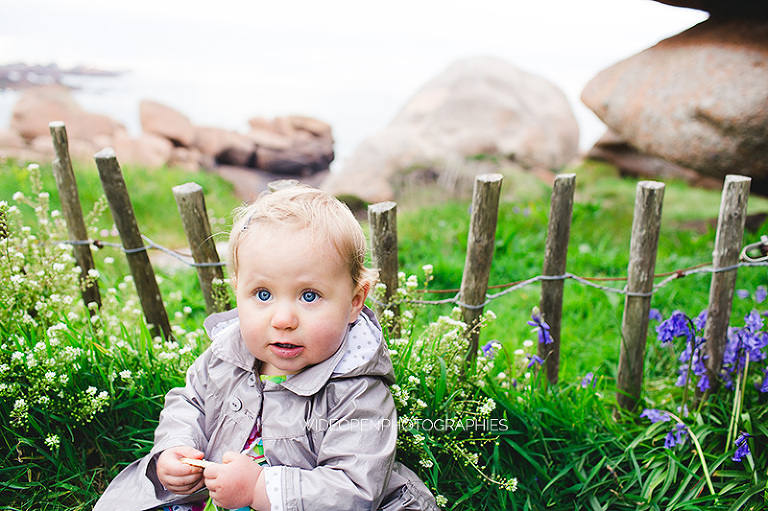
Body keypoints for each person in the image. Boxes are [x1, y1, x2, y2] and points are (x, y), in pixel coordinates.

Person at [94, 185, 438, 511]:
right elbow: (189, 402)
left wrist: (261, 488)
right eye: (262, 294)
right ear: (237, 291)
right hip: (216, 491)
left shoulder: (358, 392)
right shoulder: (226, 354)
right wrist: (177, 447)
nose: (283, 319)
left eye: (309, 296)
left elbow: (353, 489)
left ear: (355, 301)